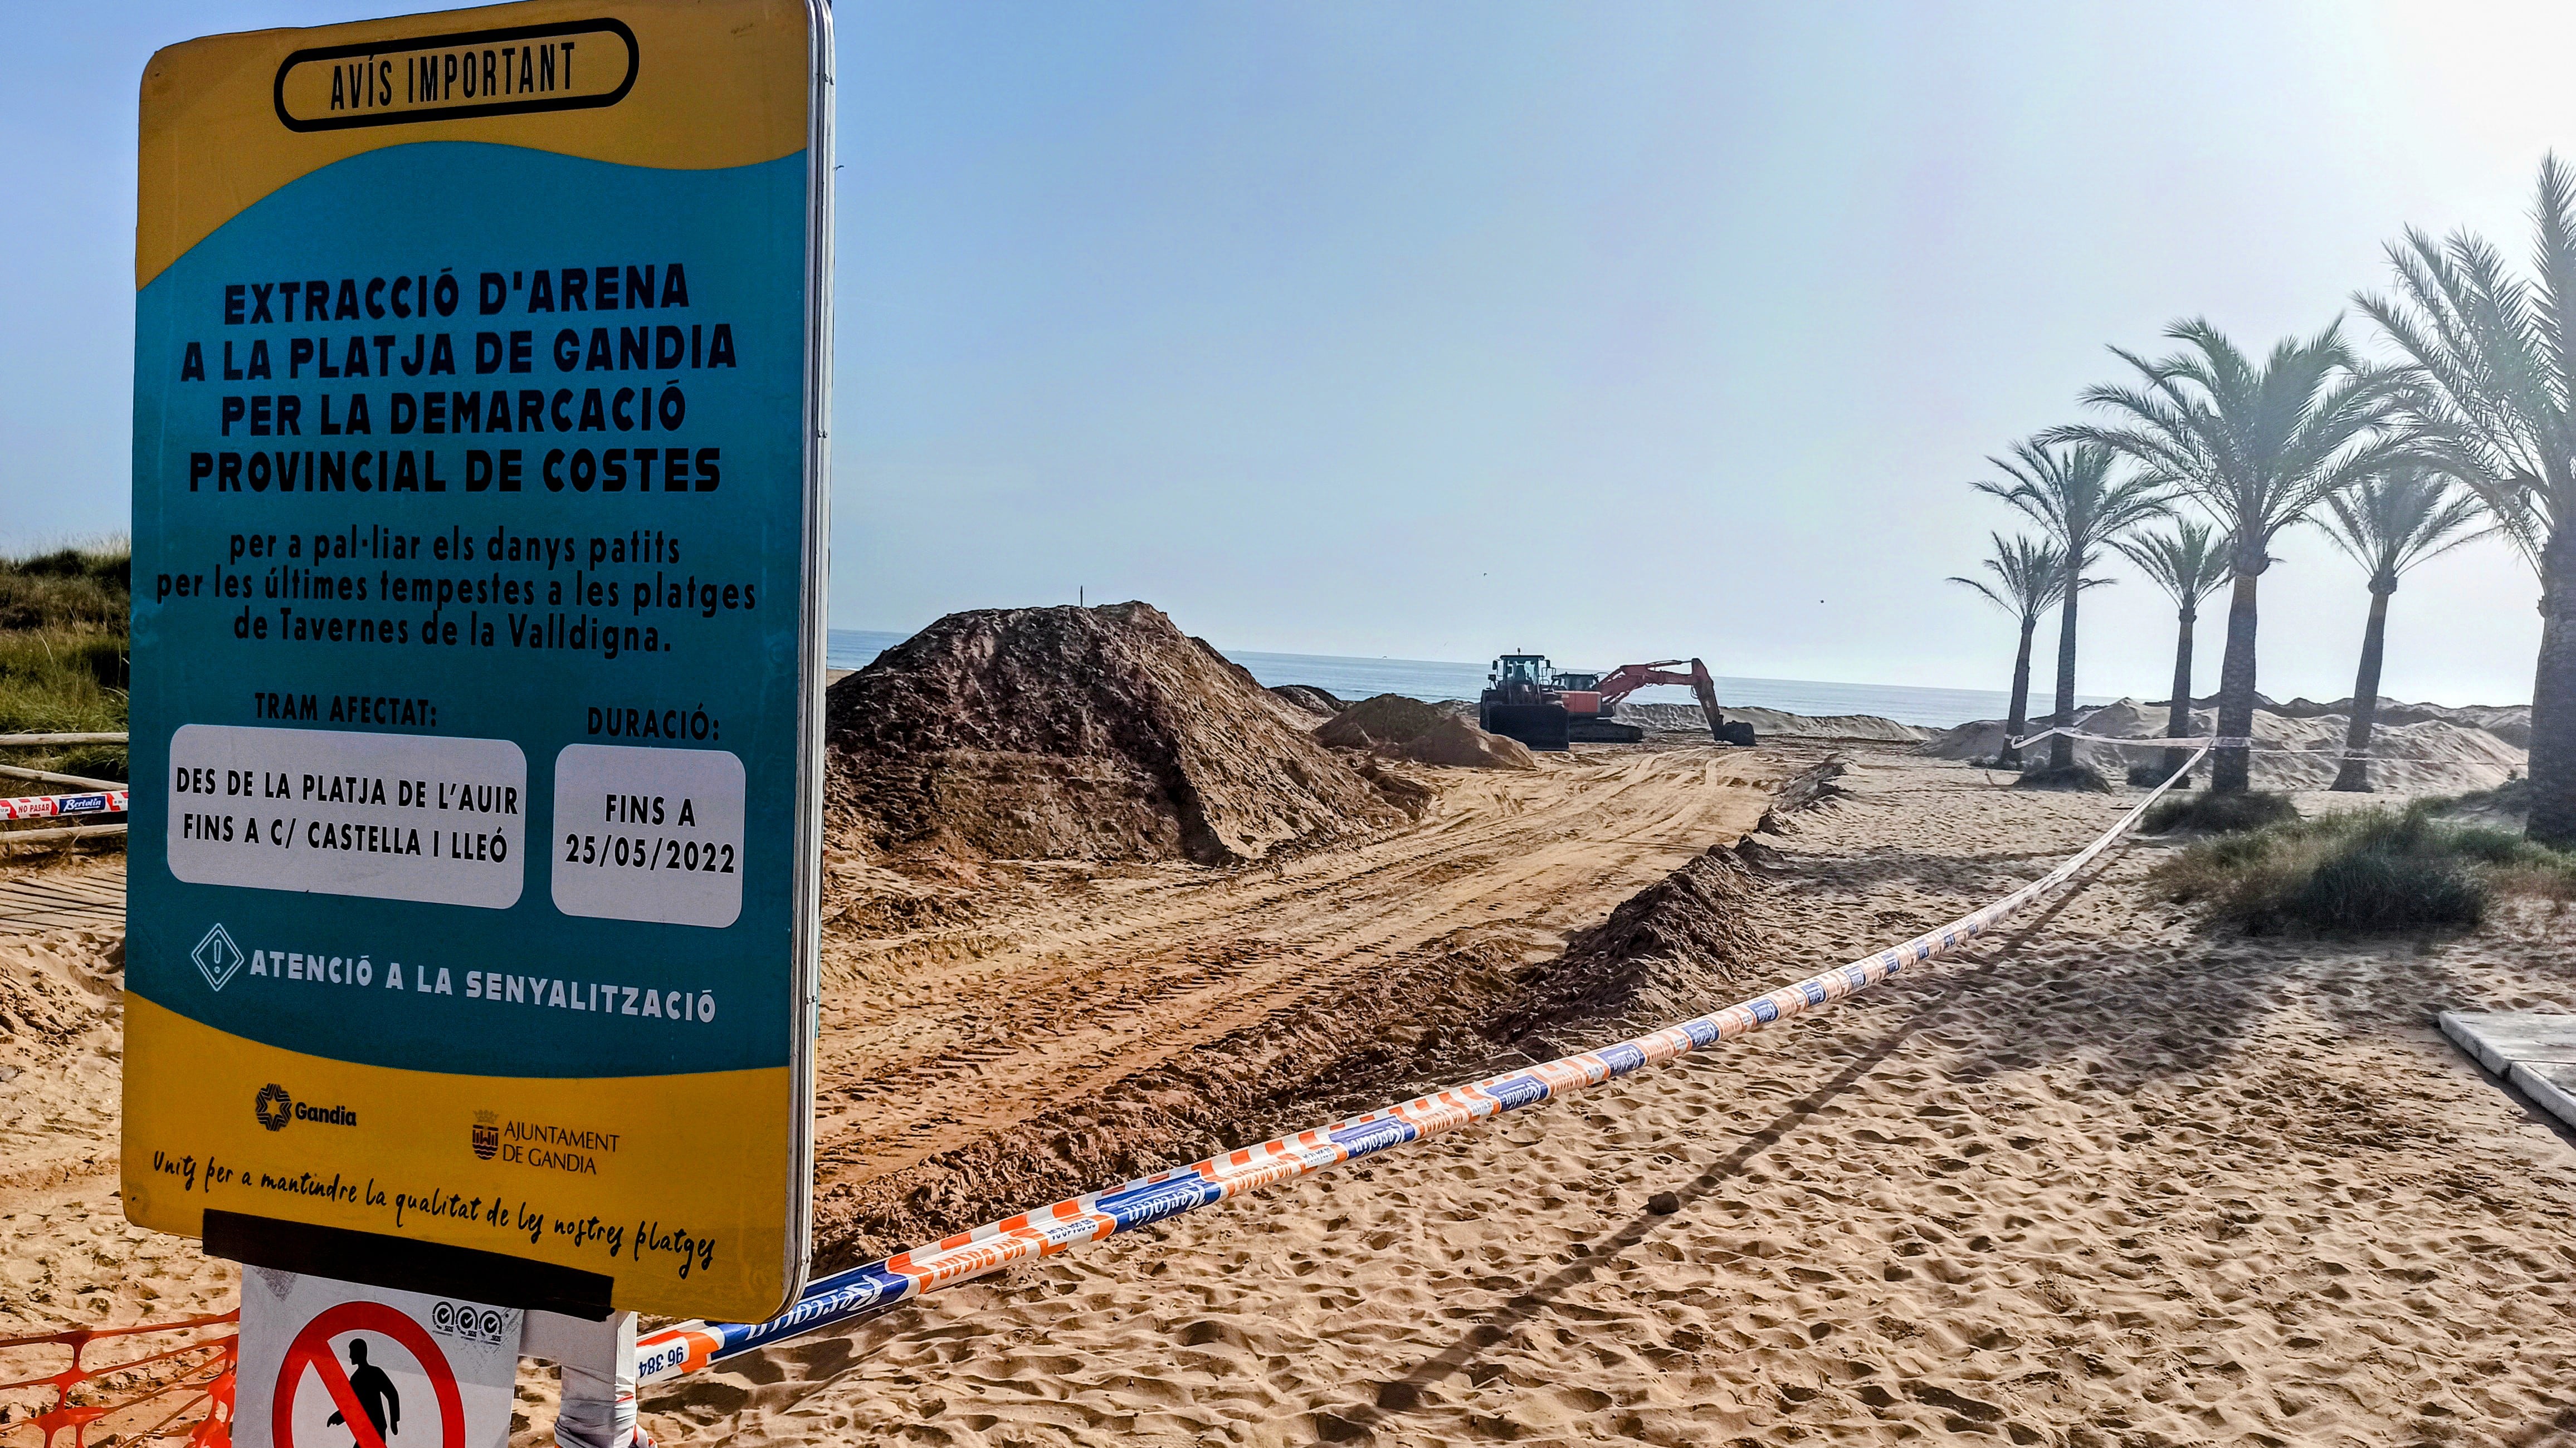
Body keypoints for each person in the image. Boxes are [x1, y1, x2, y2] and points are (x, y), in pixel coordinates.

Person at [324, 1337, 401, 1444]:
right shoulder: (356, 1378)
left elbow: (392, 1394)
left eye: (352, 1352)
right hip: (365, 1428)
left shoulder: (375, 1373)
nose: (350, 1356)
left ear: (360, 1353)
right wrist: (338, 1417)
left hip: (376, 1428)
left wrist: (394, 1421)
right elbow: (351, 1404)